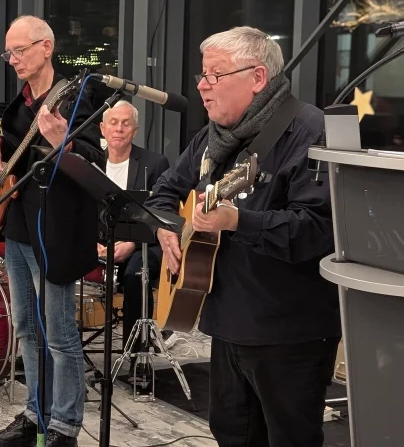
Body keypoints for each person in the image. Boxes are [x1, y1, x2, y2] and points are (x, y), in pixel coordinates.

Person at [145, 26, 340, 446]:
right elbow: (165, 191)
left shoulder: (310, 131)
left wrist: (239, 221)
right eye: (202, 76)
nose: (201, 86)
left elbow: (318, 232)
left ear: (257, 78)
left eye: (214, 76)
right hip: (225, 321)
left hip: (289, 331)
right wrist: (168, 228)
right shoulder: (214, 137)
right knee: (232, 433)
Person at [0, 15, 105, 447]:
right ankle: (35, 415)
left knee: (60, 334)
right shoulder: (22, 100)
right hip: (18, 228)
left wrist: (64, 143)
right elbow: (15, 141)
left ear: (47, 47)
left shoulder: (75, 96)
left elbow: (92, 160)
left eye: (20, 50)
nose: (12, 59)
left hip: (56, 232)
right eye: (8, 53)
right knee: (28, 329)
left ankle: (64, 427)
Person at [95, 100, 176, 360]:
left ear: (135, 130)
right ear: (102, 128)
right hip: (100, 243)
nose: (119, 129)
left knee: (135, 275)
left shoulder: (154, 163)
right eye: (114, 123)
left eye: (126, 123)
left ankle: (135, 354)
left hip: (142, 245)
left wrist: (130, 244)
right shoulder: (91, 164)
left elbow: (163, 215)